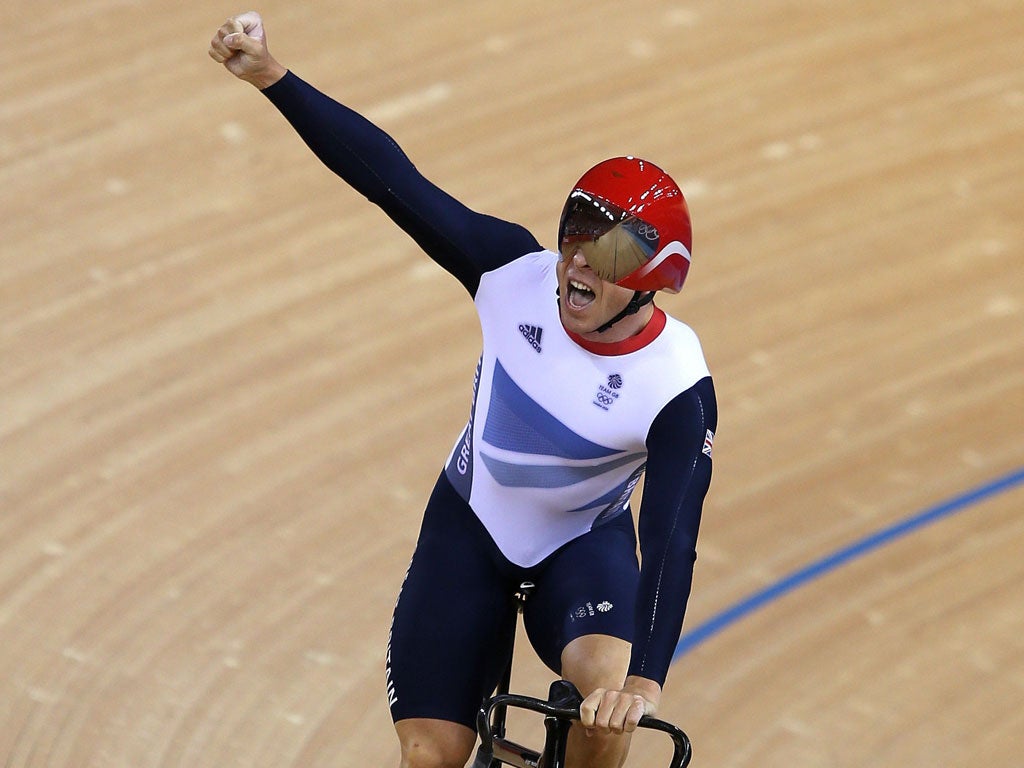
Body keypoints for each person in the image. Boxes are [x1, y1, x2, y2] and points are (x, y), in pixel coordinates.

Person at [209, 12, 717, 768]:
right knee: (429, 759)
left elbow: (671, 535)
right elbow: (393, 182)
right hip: (470, 531)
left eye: (608, 253)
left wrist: (640, 682)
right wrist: (272, 77)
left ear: (649, 285)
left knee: (605, 703)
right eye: (574, 232)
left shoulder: (677, 384)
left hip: (580, 550)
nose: (578, 261)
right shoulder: (508, 272)